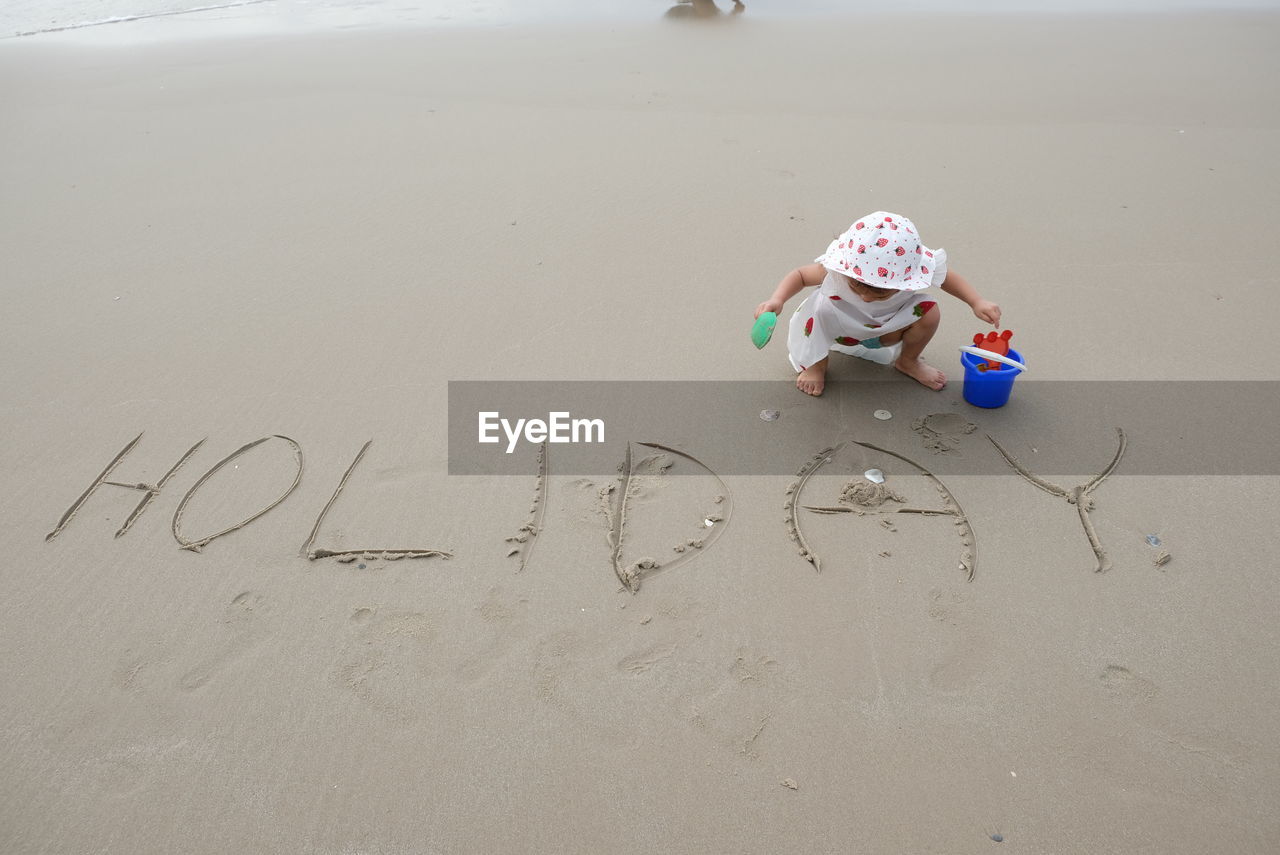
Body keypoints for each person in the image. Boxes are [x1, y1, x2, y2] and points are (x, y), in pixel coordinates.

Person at [754, 211, 1001, 396]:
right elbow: (800, 275)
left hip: (886, 331)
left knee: (930, 312)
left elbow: (947, 278)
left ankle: (908, 361)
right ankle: (817, 366)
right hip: (838, 328)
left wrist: (976, 301)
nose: (866, 297)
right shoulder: (840, 269)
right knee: (818, 308)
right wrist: (777, 299)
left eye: (880, 294)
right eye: (857, 287)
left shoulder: (907, 271)